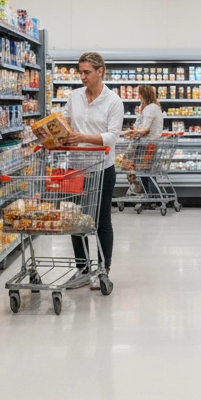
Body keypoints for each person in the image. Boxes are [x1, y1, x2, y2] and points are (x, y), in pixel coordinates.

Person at [62, 51, 124, 275]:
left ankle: (103, 269)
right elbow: (65, 120)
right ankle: (82, 268)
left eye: (87, 72)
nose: (82, 77)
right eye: (80, 72)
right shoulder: (74, 97)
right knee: (75, 219)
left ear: (100, 71)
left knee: (101, 220)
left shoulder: (113, 101)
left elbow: (112, 136)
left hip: (102, 168)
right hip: (76, 168)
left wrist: (83, 137)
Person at [121, 84, 164, 196]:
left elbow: (145, 129)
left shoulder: (150, 108)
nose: (137, 95)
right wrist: (133, 132)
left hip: (148, 145)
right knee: (145, 171)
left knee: (132, 165)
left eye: (138, 93)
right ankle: (149, 194)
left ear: (143, 94)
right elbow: (140, 127)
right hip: (148, 144)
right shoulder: (151, 107)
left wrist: (130, 133)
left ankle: (142, 191)